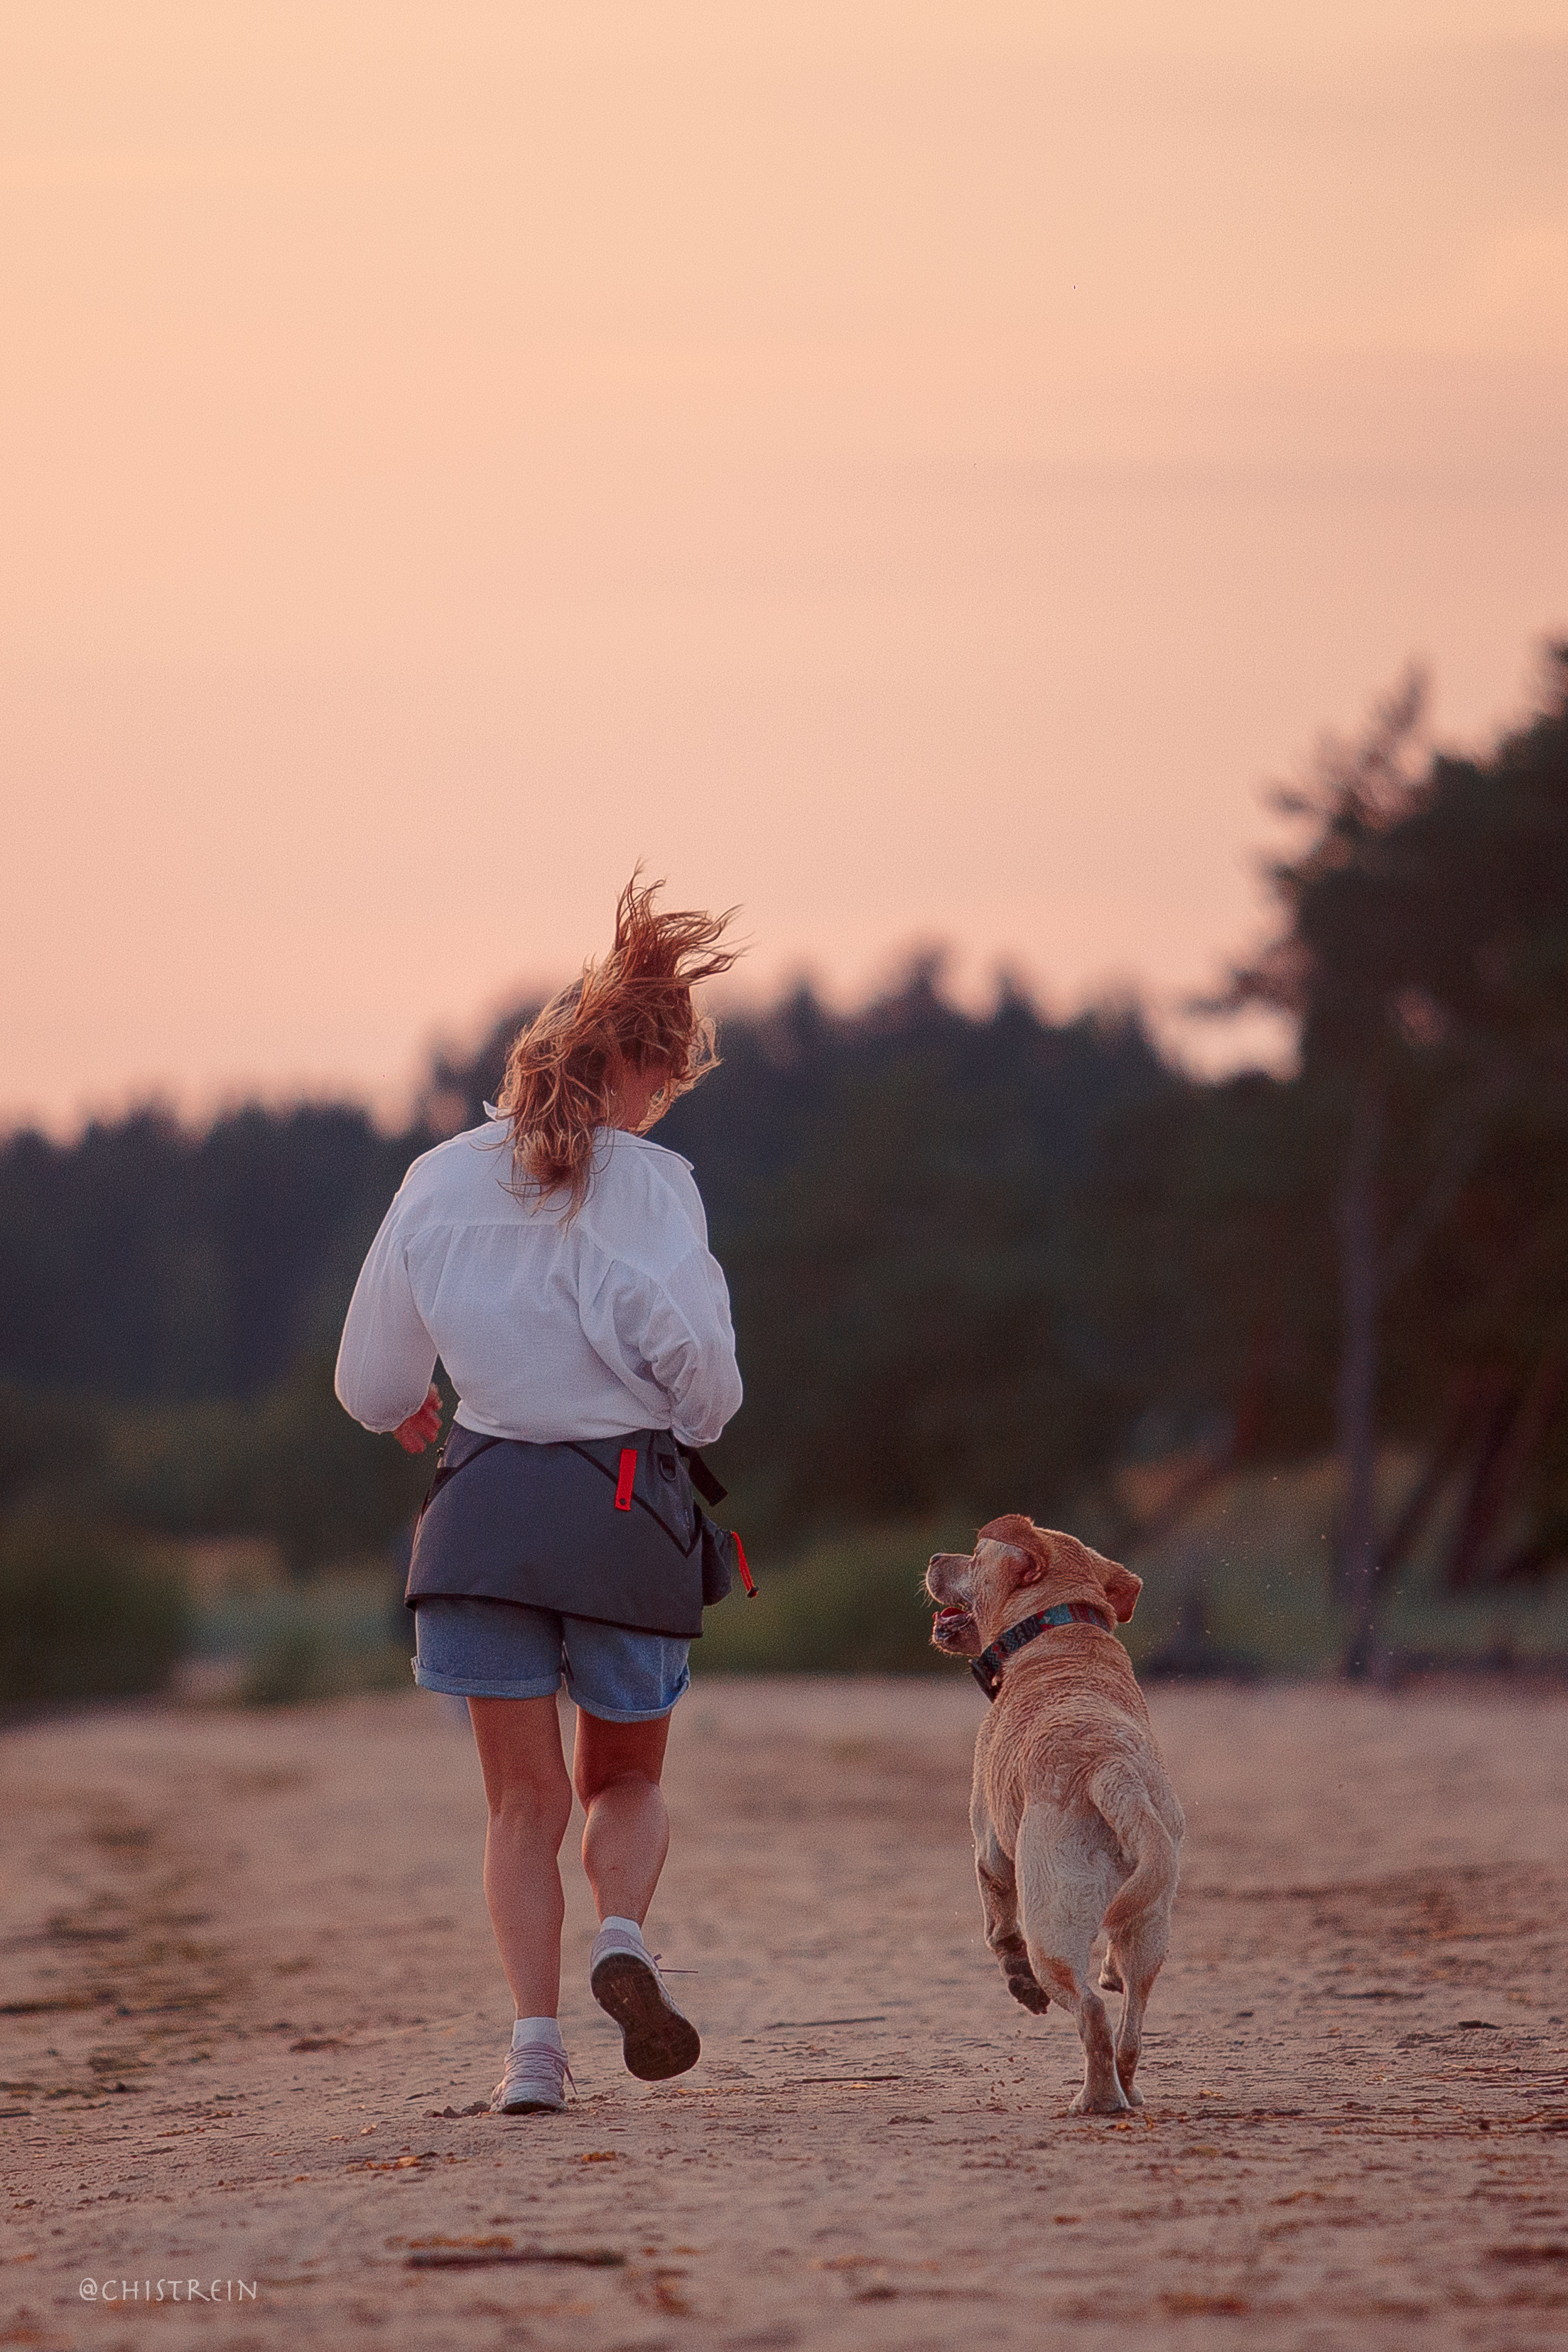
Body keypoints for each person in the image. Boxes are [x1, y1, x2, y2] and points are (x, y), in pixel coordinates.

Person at [334, 878, 743, 2114]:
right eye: (666, 1092)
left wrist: (414, 1401)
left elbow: (370, 1380)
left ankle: (531, 2054)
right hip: (619, 1513)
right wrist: (668, 1418)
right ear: (640, 1072)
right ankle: (623, 1931)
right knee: (621, 1781)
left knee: (521, 1802)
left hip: (480, 1523)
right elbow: (709, 1385)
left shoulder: (435, 1180)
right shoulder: (653, 1187)